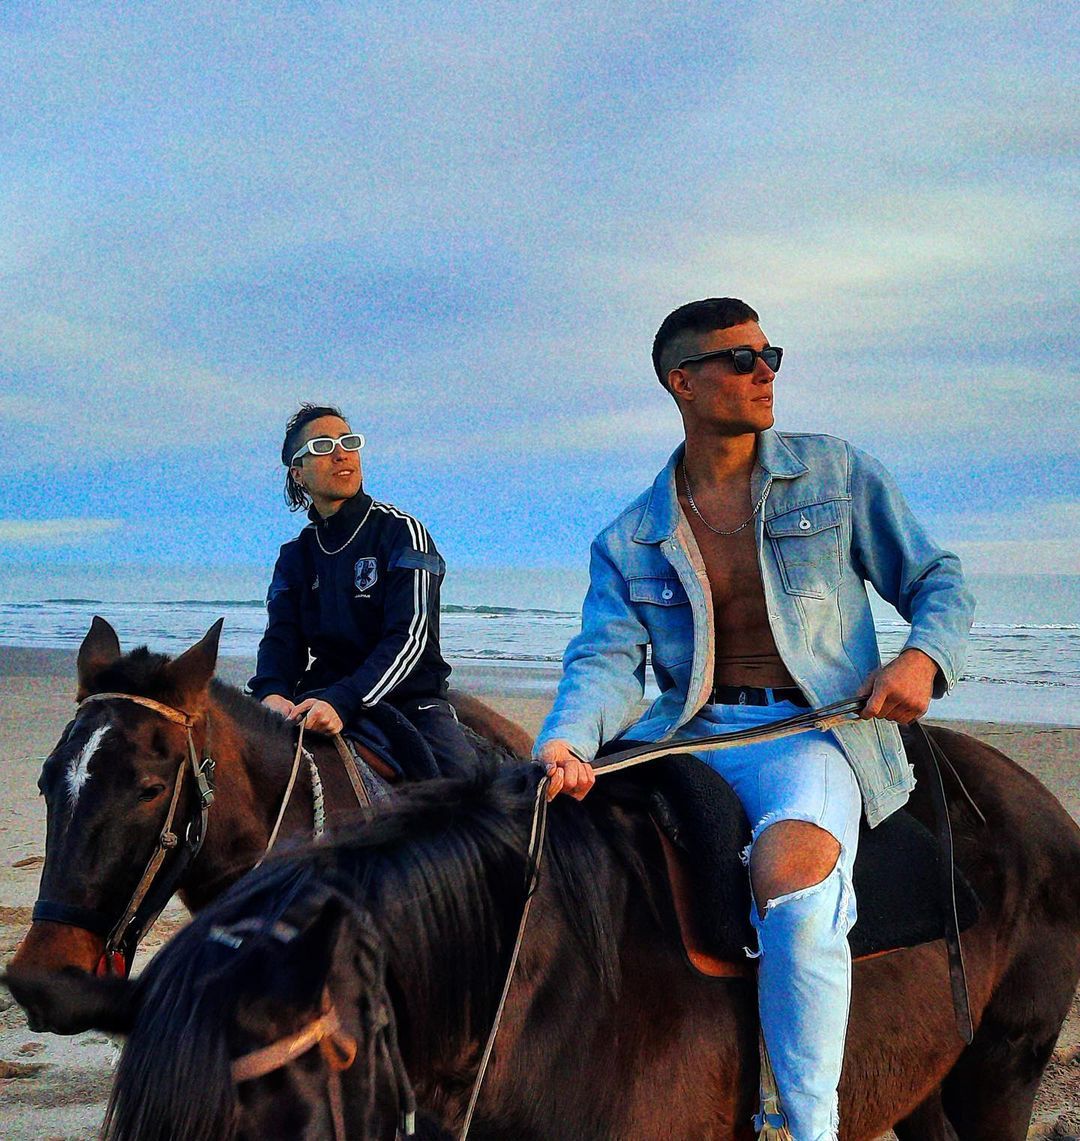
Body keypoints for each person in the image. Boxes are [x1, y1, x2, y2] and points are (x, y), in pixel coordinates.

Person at [534, 298, 975, 1140]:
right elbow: (607, 662)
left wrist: (923, 659)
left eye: (770, 354)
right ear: (683, 381)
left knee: (797, 891)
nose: (765, 371)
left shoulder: (834, 473)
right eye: (740, 359)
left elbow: (937, 579)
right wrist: (565, 738)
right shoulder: (630, 536)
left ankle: (808, 1128)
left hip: (809, 734)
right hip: (682, 738)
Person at [249, 403, 477, 778]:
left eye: (348, 442)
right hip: (321, 695)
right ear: (298, 472)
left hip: (409, 700)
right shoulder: (295, 557)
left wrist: (346, 699)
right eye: (322, 446)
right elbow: (281, 638)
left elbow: (409, 637)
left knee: (466, 793)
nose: (341, 453)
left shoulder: (402, 532)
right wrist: (272, 691)